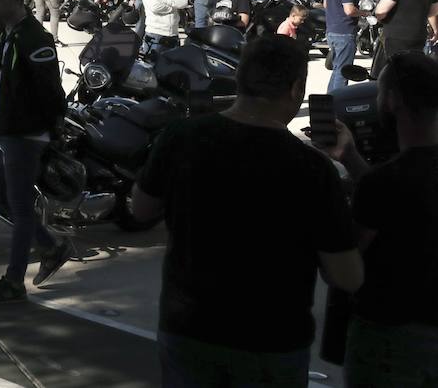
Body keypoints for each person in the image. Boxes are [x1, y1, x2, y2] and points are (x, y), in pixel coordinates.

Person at [130, 34, 362, 386]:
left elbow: (140, 209)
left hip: (190, 329)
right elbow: (347, 276)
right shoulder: (312, 169)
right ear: (295, 89)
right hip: (272, 342)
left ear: (239, 78)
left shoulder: (181, 137)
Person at [319, 50, 438, 386]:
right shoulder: (386, 181)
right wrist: (352, 158)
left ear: (393, 101)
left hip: (390, 341)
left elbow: (344, 269)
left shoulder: (384, 183)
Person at [0, 0, 70, 302]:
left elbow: (51, 92)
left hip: (25, 134)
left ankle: (14, 282)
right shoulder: (8, 32)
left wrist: (46, 128)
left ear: (17, 0)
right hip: (4, 129)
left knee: (20, 206)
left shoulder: (34, 38)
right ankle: (51, 246)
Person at [373, 0, 438, 78]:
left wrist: (381, 18)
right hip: (418, 37)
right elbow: (434, 11)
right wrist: (435, 30)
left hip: (396, 37)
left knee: (394, 74)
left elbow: (381, 11)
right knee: (413, 72)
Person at [324, 0, 362, 93]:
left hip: (331, 30)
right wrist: (365, 13)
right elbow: (349, 10)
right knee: (343, 71)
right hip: (344, 31)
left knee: (337, 69)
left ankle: (330, 99)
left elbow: (325, 3)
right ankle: (338, 102)